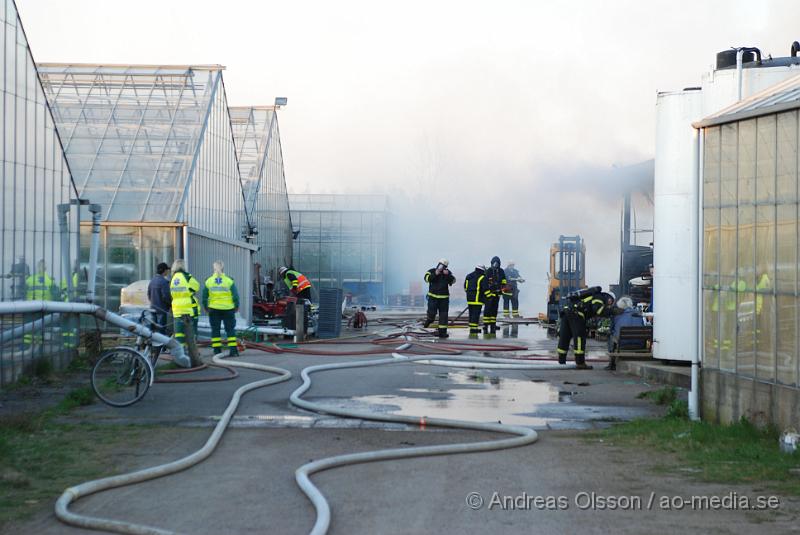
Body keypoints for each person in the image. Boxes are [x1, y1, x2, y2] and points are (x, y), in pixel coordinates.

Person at [557, 287, 613, 370]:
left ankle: (561, 361)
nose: (609, 304)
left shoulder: (591, 296)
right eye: (611, 301)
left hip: (567, 312)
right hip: (577, 314)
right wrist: (612, 311)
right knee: (579, 338)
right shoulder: (600, 297)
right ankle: (580, 363)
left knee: (564, 337)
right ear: (609, 297)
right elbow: (598, 310)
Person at [202, 261, 240, 356]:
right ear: (223, 269)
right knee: (230, 330)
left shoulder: (209, 281)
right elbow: (235, 296)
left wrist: (206, 307)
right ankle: (233, 351)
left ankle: (217, 351)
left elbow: (204, 297)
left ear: (213, 269)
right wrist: (236, 306)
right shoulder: (229, 281)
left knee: (215, 330)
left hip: (213, 309)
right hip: (228, 309)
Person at [23, 260, 59, 349]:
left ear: (37, 267)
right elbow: (56, 295)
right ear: (45, 268)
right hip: (44, 308)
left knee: (28, 326)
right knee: (40, 327)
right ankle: (38, 347)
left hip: (30, 307)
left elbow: (23, 292)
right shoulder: (50, 280)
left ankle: (26, 345)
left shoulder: (29, 279)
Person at [605, 296, 645, 371]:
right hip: (639, 342)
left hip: (622, 343)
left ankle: (612, 363)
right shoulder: (638, 314)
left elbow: (611, 329)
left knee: (610, 336)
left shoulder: (617, 315)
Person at [170, 259, 200, 354]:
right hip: (188, 309)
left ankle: (180, 353)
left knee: (179, 333)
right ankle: (192, 354)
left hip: (177, 309)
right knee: (191, 333)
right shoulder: (187, 276)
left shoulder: (173, 278)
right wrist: (190, 291)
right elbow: (196, 286)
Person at [423, 259, 455, 338]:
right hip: (433, 297)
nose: (442, 267)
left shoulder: (448, 272)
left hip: (444, 298)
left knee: (443, 316)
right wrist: (435, 274)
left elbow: (453, 281)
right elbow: (426, 279)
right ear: (438, 264)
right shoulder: (432, 271)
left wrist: (448, 275)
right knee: (432, 313)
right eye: (441, 265)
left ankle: (442, 333)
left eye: (444, 266)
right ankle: (429, 320)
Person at [464, 264, 491, 338]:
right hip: (478, 299)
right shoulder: (482, 277)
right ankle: (474, 329)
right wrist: (489, 297)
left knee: (471, 314)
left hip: (469, 299)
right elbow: (485, 289)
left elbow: (465, 287)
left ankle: (472, 328)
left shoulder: (468, 276)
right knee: (476, 315)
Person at [483, 256, 507, 336]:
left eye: (497, 263)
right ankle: (485, 326)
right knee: (487, 311)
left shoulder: (501, 271)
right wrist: (488, 294)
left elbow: (503, 280)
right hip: (489, 295)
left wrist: (503, 287)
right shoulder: (488, 271)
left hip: (497, 294)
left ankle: (493, 325)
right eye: (494, 263)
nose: (495, 264)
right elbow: (485, 283)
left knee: (494, 311)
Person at [147, 262, 172, 335]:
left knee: (153, 330)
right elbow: (166, 296)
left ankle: (153, 345)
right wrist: (170, 305)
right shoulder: (164, 282)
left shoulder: (152, 281)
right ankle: (161, 345)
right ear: (164, 271)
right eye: (167, 270)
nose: (168, 271)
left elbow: (148, 294)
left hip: (153, 308)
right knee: (161, 330)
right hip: (162, 309)